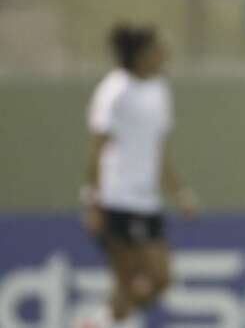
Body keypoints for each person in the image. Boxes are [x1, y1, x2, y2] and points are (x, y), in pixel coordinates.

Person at [82, 24, 194, 328]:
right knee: (134, 277)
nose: (163, 55)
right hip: (117, 198)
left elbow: (159, 151)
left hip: (148, 201)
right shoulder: (113, 91)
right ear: (141, 55)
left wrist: (179, 192)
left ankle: (98, 322)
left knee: (158, 280)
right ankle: (104, 320)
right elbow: (97, 150)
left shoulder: (159, 90)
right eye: (157, 50)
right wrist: (92, 203)